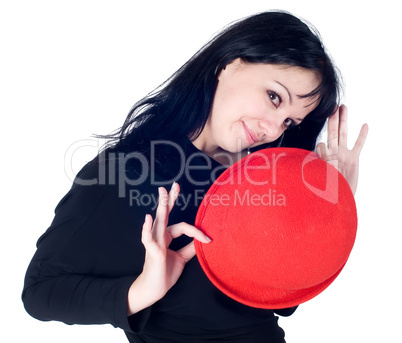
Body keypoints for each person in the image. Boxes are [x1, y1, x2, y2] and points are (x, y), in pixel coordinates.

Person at [22, 10, 368, 343]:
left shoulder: (268, 177)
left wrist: (330, 212)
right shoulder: (126, 170)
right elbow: (41, 292)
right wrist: (143, 289)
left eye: (290, 122)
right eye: (274, 97)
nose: (274, 129)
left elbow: (283, 300)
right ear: (228, 65)